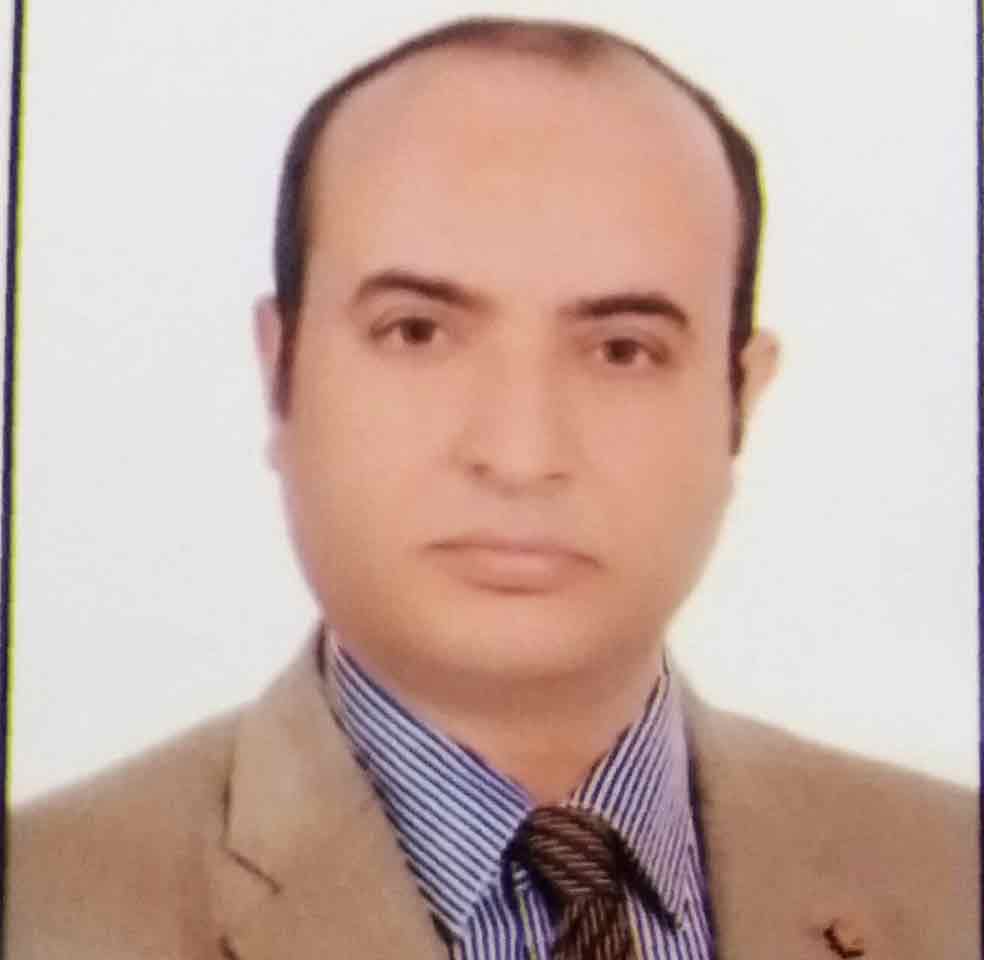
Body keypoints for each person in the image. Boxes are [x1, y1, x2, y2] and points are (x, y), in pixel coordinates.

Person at [7, 15, 977, 960]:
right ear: (279, 370)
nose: (519, 454)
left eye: (623, 350)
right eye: (417, 332)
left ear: (741, 400)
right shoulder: (36, 910)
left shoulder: (957, 879)